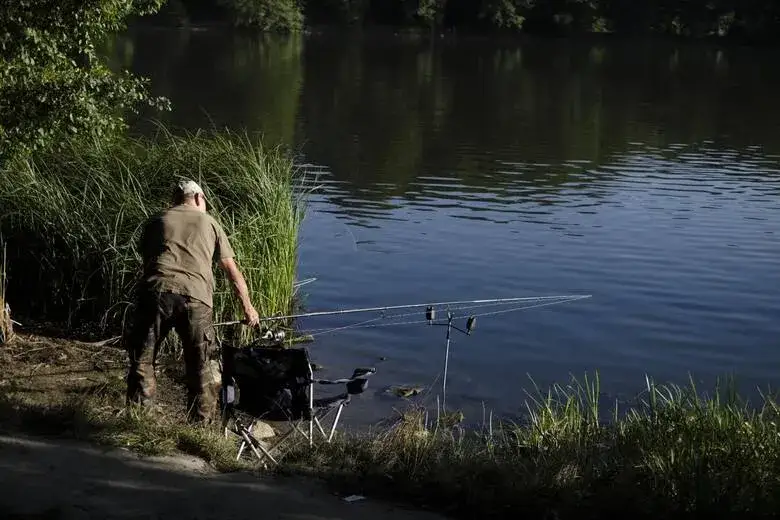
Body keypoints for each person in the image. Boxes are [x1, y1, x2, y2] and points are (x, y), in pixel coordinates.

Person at [125, 179, 260, 423]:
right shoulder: (210, 223)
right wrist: (248, 309)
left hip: (156, 292)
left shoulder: (157, 220)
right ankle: (199, 426)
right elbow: (232, 271)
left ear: (176, 200)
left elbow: (147, 260)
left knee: (143, 359)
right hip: (196, 298)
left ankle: (138, 418)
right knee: (201, 368)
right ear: (199, 198)